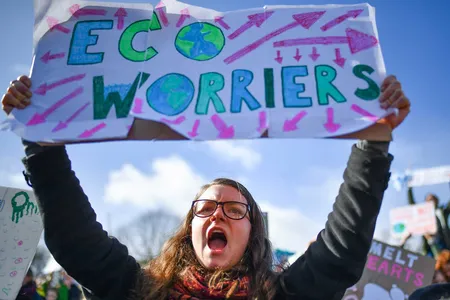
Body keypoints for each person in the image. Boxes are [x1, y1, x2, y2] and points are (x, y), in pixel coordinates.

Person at [2, 74, 410, 300]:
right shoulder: (138, 290)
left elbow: (341, 251)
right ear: (189, 227)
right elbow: (78, 240)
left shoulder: (283, 295)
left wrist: (372, 145)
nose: (217, 213)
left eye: (235, 210)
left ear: (253, 232)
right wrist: (42, 144)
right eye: (206, 208)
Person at [408, 187, 450, 257]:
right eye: (429, 199)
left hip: (445, 243)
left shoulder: (443, 210)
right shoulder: (423, 213)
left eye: (433, 199)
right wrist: (409, 188)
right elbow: (412, 205)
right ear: (426, 202)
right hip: (429, 245)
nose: (431, 201)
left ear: (437, 200)